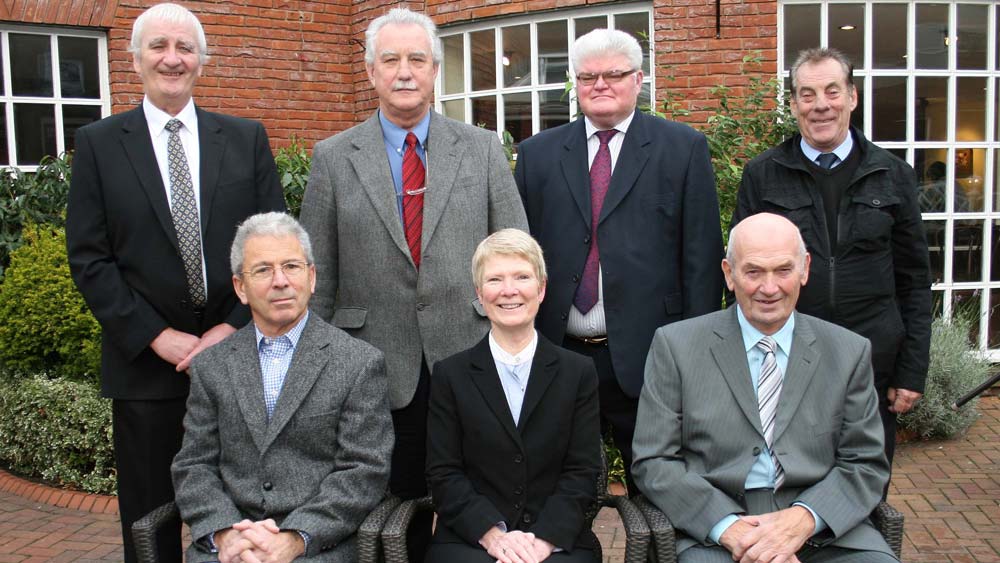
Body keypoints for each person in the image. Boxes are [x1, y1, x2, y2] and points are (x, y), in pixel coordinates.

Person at [299, 8, 527, 560]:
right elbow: (316, 275)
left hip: (469, 353)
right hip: (371, 361)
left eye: (417, 60)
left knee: (471, 502)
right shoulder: (333, 157)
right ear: (371, 71)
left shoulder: (481, 148)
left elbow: (516, 250)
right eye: (391, 60)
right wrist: (320, 366)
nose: (405, 71)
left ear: (434, 71)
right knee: (385, 511)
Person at [65, 4, 285, 561]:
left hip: (241, 361)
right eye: (159, 46)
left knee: (249, 516)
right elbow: (90, 259)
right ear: (135, 58)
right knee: (150, 523)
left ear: (202, 61)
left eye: (185, 47)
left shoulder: (245, 139)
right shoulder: (97, 144)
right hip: (145, 369)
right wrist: (157, 336)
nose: (173, 58)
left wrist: (231, 328)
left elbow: (273, 247)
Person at [514, 28, 723, 495]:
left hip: (651, 357)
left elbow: (702, 260)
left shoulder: (682, 148)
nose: (600, 84)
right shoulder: (537, 155)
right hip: (558, 355)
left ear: (639, 79)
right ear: (575, 83)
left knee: (661, 497)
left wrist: (697, 357)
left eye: (614, 74)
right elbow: (518, 254)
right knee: (555, 492)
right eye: (587, 76)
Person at [633, 213, 897, 563]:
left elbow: (865, 463)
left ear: (804, 269)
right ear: (729, 274)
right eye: (753, 271)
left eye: (783, 271)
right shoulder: (676, 346)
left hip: (824, 528)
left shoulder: (848, 351)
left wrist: (803, 520)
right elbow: (654, 460)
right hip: (715, 530)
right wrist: (729, 528)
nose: (769, 288)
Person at [732, 47, 931, 474]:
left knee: (866, 475)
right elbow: (741, 274)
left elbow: (914, 279)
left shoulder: (893, 174)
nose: (820, 105)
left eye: (831, 91)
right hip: (786, 355)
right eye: (807, 94)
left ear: (852, 97)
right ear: (793, 104)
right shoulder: (763, 174)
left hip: (872, 357)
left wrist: (912, 369)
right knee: (787, 471)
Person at [171, 212, 392, 563]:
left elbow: (363, 471)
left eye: (291, 266)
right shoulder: (212, 366)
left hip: (318, 546)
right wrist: (226, 532)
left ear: (312, 277)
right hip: (232, 546)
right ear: (240, 288)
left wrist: (294, 538)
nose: (280, 281)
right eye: (262, 270)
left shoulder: (358, 363)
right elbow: (194, 465)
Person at [426, 228, 601, 563]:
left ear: (542, 288)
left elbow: (582, 471)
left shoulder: (578, 372)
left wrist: (544, 541)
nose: (509, 291)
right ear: (479, 292)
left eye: (522, 276)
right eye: (494, 280)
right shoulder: (450, 375)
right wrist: (492, 536)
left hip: (555, 539)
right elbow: (443, 473)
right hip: (471, 539)